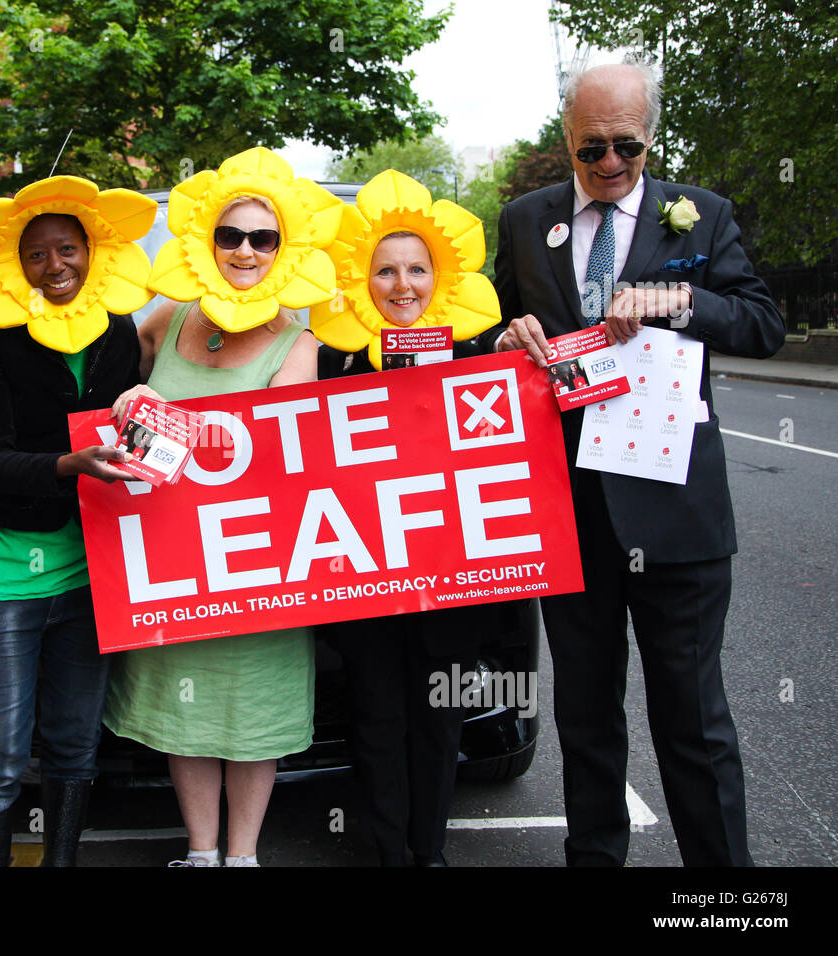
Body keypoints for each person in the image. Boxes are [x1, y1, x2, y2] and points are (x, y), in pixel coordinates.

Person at [486, 62, 784, 866]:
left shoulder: (702, 216)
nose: (611, 163)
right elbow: (484, 331)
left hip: (676, 515)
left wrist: (683, 303)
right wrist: (503, 338)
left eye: (629, 145)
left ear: (651, 137)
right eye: (593, 148)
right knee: (585, 720)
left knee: (692, 721)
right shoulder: (522, 220)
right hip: (568, 513)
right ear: (567, 138)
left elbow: (763, 325)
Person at [104, 151, 329, 867]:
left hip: (258, 563)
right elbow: (106, 393)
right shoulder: (166, 320)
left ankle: (243, 856)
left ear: (283, 249)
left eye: (262, 238)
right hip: (171, 559)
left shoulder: (299, 341)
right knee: (184, 708)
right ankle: (202, 853)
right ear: (207, 242)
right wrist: (131, 402)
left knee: (252, 706)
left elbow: (282, 444)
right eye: (230, 235)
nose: (244, 250)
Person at [0, 177, 155, 866]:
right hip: (6, 573)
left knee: (74, 741)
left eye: (68, 248)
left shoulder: (119, 328)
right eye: (37, 255)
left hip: (93, 571)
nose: (55, 265)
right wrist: (72, 465)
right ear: (18, 265)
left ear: (92, 252)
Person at [309, 171, 503, 866]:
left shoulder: (481, 358)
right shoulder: (331, 362)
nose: (401, 285)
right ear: (363, 281)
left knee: (438, 721)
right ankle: (391, 853)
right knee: (378, 720)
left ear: (437, 275)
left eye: (416, 269)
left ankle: (432, 852)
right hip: (364, 584)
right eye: (384, 271)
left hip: (450, 580)